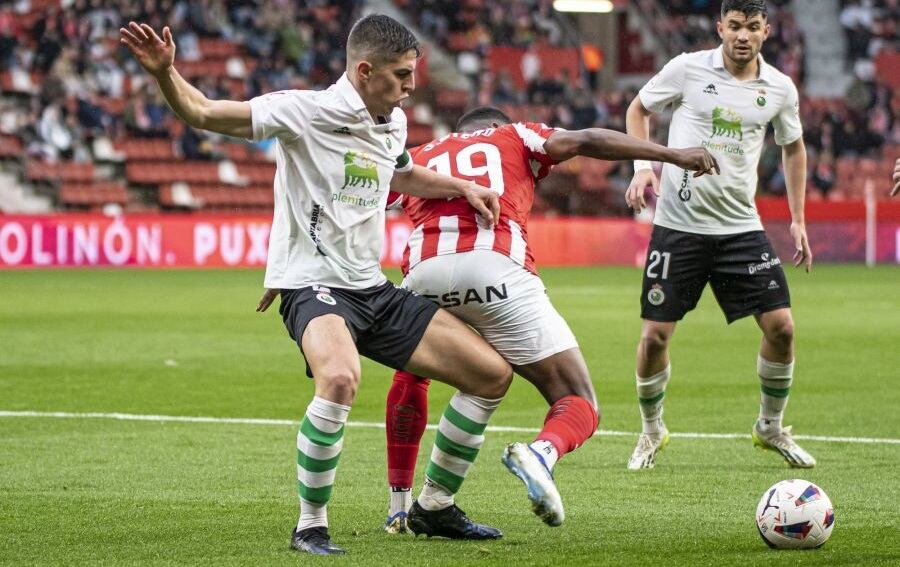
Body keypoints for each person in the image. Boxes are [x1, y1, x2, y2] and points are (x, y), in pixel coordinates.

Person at [121, 15, 517, 556]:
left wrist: (459, 187)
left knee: (491, 373)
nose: (411, 86)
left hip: (372, 290)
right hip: (314, 287)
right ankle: (310, 525)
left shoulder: (392, 122)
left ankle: (434, 507)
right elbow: (202, 112)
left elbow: (399, 175)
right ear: (363, 70)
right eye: (401, 75)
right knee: (339, 378)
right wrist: (167, 74)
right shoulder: (301, 111)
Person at [379, 106, 718, 532]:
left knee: (430, 379)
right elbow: (586, 139)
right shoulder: (516, 135)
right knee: (577, 399)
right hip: (495, 268)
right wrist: (670, 154)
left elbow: (357, 196)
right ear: (496, 127)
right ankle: (541, 453)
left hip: (423, 273)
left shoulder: (420, 153)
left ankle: (412, 507)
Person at [622, 0, 816, 471]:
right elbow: (638, 110)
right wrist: (643, 167)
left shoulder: (780, 89)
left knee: (783, 328)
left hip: (740, 229)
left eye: (752, 26)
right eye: (734, 26)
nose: (743, 35)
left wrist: (797, 218)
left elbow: (793, 149)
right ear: (720, 28)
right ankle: (651, 432)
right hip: (678, 227)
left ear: (767, 31)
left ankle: (769, 426)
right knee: (653, 340)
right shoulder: (687, 69)